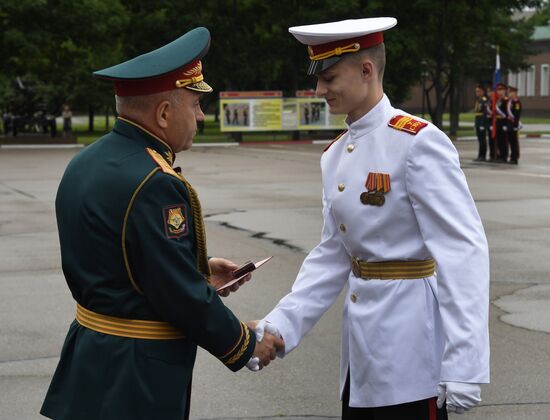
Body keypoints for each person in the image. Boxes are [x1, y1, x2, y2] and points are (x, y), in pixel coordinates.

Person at [252, 17, 490, 420]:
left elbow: (462, 251)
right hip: (362, 357)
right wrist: (279, 326)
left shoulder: (417, 143)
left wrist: (466, 362)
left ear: (366, 71)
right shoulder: (334, 155)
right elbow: (332, 256)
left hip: (412, 354)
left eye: (329, 77)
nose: (319, 90)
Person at [40, 27, 283, 420]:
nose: (201, 116)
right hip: (136, 378)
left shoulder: (87, 161)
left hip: (91, 358)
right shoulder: (157, 183)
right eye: (196, 105)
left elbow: (121, 260)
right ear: (164, 113)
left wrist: (199, 271)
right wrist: (245, 344)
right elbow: (178, 294)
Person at [494, 82, 509, 163]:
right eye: (498, 90)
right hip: (498, 122)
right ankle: (500, 156)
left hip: (504, 122)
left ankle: (504, 156)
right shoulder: (498, 101)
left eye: (501, 90)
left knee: (504, 141)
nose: (499, 92)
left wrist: (506, 124)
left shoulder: (506, 101)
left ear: (505, 91)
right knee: (499, 140)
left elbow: (508, 113)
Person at [473, 85, 488, 161]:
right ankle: (480, 155)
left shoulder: (484, 100)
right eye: (476, 91)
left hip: (482, 122)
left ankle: (483, 155)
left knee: (482, 140)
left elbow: (485, 114)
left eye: (478, 91)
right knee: (479, 139)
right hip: (478, 121)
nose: (477, 93)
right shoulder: (478, 100)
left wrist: (483, 124)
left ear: (482, 92)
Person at [506, 86, 521, 164]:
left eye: (510, 92)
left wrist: (515, 126)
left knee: (514, 143)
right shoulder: (510, 102)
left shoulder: (517, 102)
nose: (509, 94)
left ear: (514, 93)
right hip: (509, 125)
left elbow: (517, 115)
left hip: (514, 126)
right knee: (511, 142)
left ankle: (514, 158)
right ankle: (512, 157)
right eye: (509, 92)